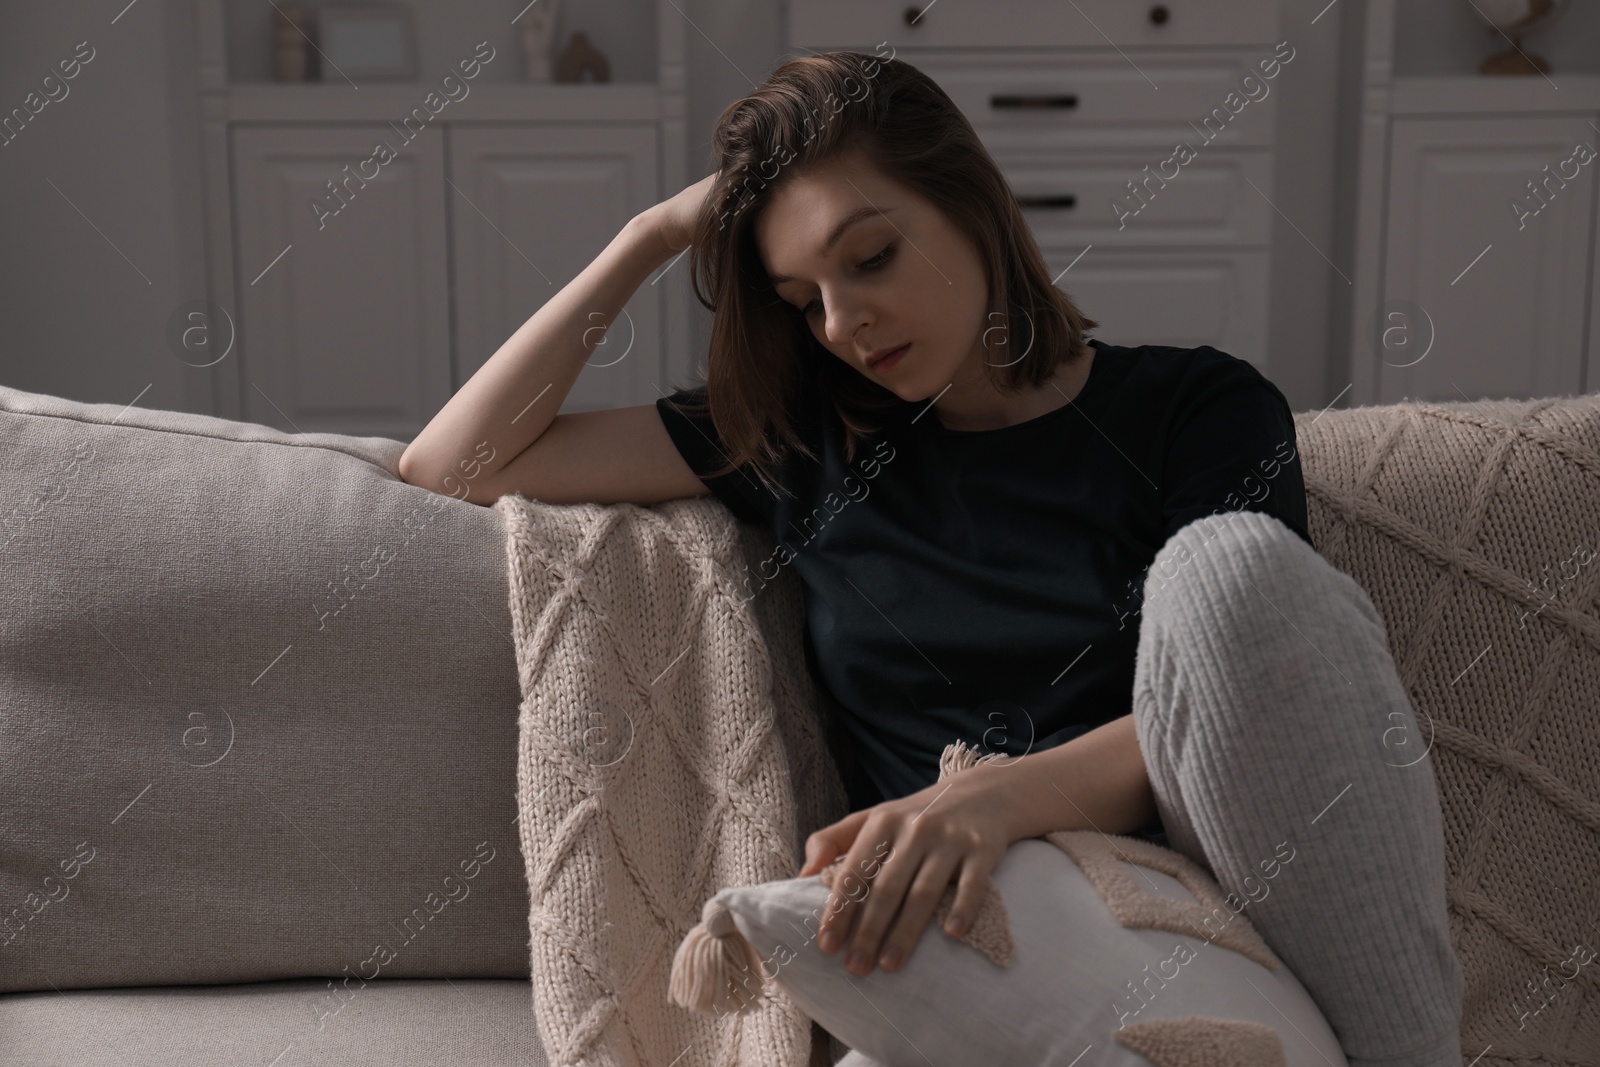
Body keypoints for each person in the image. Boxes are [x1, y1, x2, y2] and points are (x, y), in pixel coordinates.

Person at [400, 50, 1463, 1067]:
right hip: (960, 925)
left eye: (869, 257)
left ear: (971, 201)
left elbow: (1247, 694)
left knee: (1227, 567)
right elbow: (454, 461)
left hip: (1193, 877)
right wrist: (649, 234)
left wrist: (991, 797)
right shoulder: (807, 447)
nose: (843, 319)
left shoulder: (1195, 406)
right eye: (800, 298)